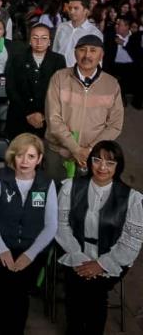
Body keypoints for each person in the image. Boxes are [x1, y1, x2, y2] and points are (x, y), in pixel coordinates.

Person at [56, 140, 143, 335]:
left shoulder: (131, 198)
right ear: (89, 162)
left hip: (111, 259)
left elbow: (131, 240)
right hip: (74, 254)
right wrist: (78, 256)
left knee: (94, 291)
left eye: (110, 163)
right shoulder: (71, 187)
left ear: (118, 166)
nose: (102, 167)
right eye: (97, 160)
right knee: (76, 288)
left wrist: (102, 264)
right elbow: (61, 225)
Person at [0, 134, 57, 335]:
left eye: (31, 156)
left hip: (32, 248)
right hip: (1, 244)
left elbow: (51, 226)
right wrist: (1, 248)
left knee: (19, 291)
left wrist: (30, 255)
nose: (25, 161)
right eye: (20, 155)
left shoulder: (47, 184)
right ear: (13, 156)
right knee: (1, 289)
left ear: (39, 159)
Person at [44, 34, 124, 181]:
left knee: (85, 197)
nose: (87, 55)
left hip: (93, 156)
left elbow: (115, 124)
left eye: (93, 50)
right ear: (75, 53)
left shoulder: (111, 84)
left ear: (101, 55)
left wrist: (90, 150)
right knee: (54, 192)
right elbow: (53, 118)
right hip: (59, 151)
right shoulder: (59, 78)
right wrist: (75, 149)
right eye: (82, 50)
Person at [5, 24, 66, 139]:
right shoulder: (17, 58)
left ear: (49, 41)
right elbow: (11, 88)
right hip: (20, 116)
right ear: (29, 40)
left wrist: (42, 114)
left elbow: (60, 91)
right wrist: (28, 113)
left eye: (44, 38)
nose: (39, 42)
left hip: (48, 118)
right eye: (35, 38)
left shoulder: (58, 60)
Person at [52, 0, 103, 67]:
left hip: (78, 73)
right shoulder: (62, 27)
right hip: (58, 69)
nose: (71, 11)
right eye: (70, 8)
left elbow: (97, 59)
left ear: (86, 11)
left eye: (76, 8)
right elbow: (55, 49)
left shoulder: (94, 32)